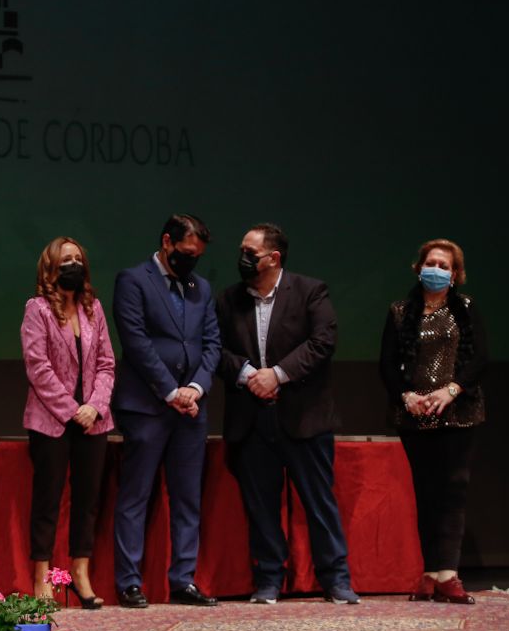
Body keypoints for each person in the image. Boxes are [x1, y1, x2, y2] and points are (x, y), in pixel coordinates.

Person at [216, 222, 359, 605]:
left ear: (273, 258)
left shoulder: (310, 291)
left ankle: (336, 579)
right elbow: (214, 350)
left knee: (318, 503)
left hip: (303, 418)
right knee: (261, 505)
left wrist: (277, 375)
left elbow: (323, 340)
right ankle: (268, 580)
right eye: (242, 251)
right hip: (252, 418)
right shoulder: (229, 300)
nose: (243, 259)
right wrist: (249, 375)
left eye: (251, 252)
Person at [111, 214, 221, 609]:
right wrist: (170, 390)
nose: (191, 260)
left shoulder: (201, 287)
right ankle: (129, 581)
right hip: (146, 406)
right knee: (136, 495)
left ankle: (183, 580)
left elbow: (212, 344)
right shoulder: (133, 280)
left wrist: (194, 388)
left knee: (188, 497)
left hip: (191, 408)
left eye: (198, 255)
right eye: (187, 253)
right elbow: (136, 342)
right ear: (167, 242)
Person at [379, 239, 486, 604]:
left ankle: (449, 574)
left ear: (455, 275)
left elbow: (479, 359)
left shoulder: (465, 309)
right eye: (431, 262)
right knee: (425, 492)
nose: (436, 270)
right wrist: (408, 396)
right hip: (415, 413)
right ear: (418, 267)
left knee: (453, 488)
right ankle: (428, 573)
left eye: (445, 265)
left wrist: (450, 391)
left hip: (457, 412)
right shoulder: (399, 311)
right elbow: (388, 364)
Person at [20, 237, 116, 609]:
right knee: (47, 500)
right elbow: (37, 367)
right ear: (51, 267)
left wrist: (94, 406)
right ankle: (41, 577)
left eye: (78, 258)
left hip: (95, 421)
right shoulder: (38, 309)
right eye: (66, 259)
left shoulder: (94, 309)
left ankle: (80, 573)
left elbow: (107, 363)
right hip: (51, 422)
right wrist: (71, 408)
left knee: (88, 501)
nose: (74, 264)